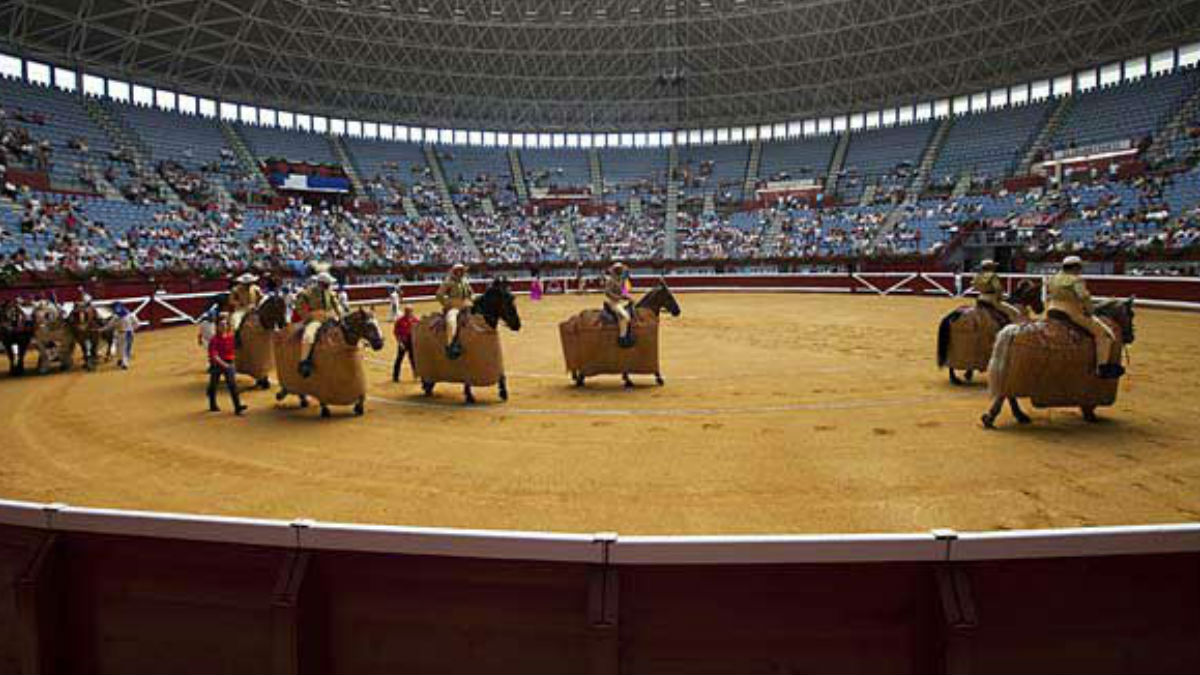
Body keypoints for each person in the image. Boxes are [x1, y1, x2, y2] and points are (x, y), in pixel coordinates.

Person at [1046, 256, 1123, 379]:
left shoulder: (1053, 278)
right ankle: (1101, 368)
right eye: (1080, 268)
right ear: (1076, 267)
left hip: (1051, 310)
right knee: (1104, 335)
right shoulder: (1076, 280)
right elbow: (1083, 298)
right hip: (1071, 312)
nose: (1080, 270)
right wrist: (1090, 311)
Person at [296, 271, 343, 377]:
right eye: (327, 283)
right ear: (321, 283)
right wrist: (309, 316)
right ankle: (304, 361)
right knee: (308, 336)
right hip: (315, 320)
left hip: (330, 317)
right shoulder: (307, 293)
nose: (329, 285)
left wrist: (341, 316)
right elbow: (299, 306)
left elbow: (337, 306)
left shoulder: (331, 293)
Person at [206, 313, 246, 415]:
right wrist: (224, 365)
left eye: (225, 325)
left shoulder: (231, 337)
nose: (224, 327)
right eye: (221, 325)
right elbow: (214, 356)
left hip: (229, 363)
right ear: (217, 327)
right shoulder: (214, 340)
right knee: (213, 385)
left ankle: (238, 407)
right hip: (217, 365)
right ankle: (212, 404)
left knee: (233, 386)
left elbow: (238, 347)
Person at [435, 263, 473, 359]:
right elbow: (439, 295)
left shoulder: (465, 281)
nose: (460, 272)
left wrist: (472, 299)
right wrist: (447, 304)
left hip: (467, 305)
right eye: (458, 270)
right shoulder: (448, 282)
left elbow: (471, 293)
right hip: (454, 308)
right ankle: (450, 344)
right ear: (454, 271)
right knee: (451, 321)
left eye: (462, 270)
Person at [603, 262, 635, 347]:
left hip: (621, 301)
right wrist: (618, 297)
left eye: (620, 269)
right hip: (612, 302)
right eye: (618, 270)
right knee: (625, 316)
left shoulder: (621, 280)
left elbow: (624, 291)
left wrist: (628, 296)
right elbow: (607, 292)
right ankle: (622, 337)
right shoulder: (610, 280)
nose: (620, 271)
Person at [228, 272, 263, 338]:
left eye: (250, 282)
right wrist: (239, 303)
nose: (248, 284)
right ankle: (237, 338)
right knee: (236, 323)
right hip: (241, 310)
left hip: (254, 309)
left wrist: (258, 305)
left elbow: (261, 297)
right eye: (247, 283)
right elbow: (231, 300)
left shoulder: (256, 288)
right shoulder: (236, 289)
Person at [105, 301, 137, 369]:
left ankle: (125, 363)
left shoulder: (117, 316)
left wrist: (131, 329)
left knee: (125, 349)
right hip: (121, 333)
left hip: (125, 333)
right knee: (119, 348)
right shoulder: (129, 314)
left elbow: (109, 326)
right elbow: (136, 324)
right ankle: (121, 360)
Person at [392, 305, 419, 382]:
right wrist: (400, 343)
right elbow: (396, 333)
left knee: (413, 359)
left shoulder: (415, 320)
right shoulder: (400, 321)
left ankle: (416, 375)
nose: (409, 313)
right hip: (403, 342)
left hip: (412, 342)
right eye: (407, 311)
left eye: (410, 311)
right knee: (399, 359)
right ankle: (395, 377)